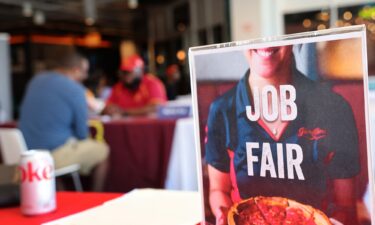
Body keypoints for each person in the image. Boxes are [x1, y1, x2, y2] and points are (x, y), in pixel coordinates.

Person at [205, 46, 360, 225]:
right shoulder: (222, 109)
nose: (265, 43)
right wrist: (222, 216)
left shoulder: (335, 107)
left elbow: (345, 207)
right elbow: (218, 190)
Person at [19, 48, 109, 191]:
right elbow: (82, 134)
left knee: (60, 152)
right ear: (75, 70)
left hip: (25, 155)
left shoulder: (36, 80)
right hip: (50, 156)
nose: (85, 76)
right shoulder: (76, 90)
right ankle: (96, 199)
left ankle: (60, 194)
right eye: (84, 71)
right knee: (102, 151)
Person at [103, 54, 167, 116]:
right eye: (124, 72)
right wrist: (109, 110)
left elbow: (157, 108)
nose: (126, 76)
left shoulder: (152, 83)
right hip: (124, 125)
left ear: (140, 71)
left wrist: (125, 112)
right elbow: (106, 108)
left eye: (129, 72)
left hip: (150, 125)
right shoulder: (118, 87)